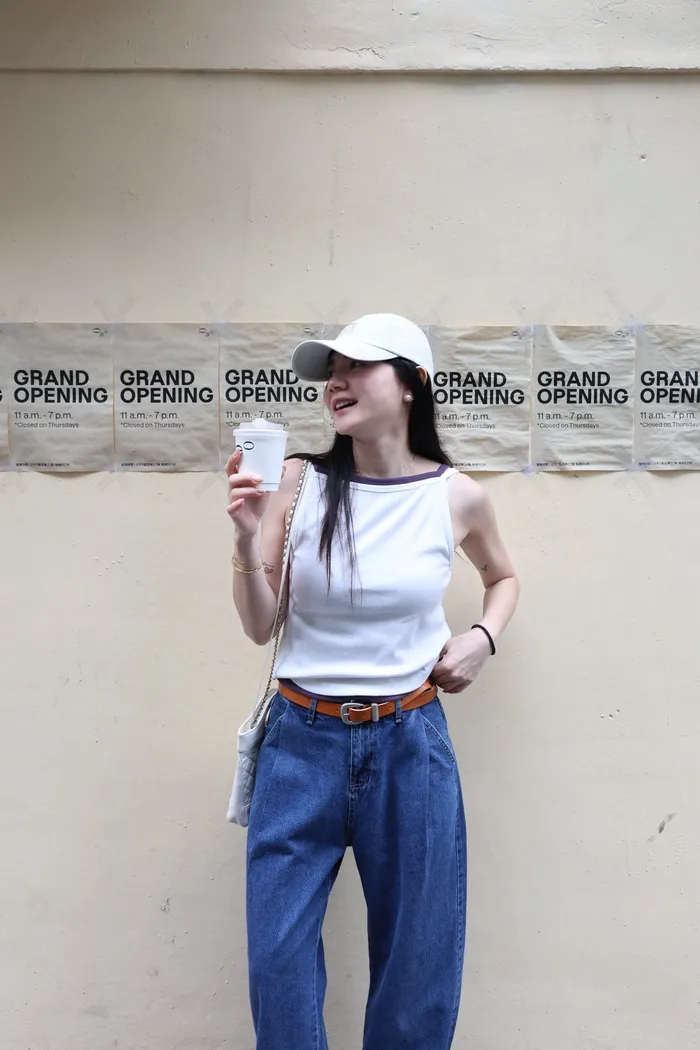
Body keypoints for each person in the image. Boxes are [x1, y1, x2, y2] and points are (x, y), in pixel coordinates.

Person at [225, 314, 519, 1050]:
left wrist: (482, 638)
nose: (337, 382)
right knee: (278, 961)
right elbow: (260, 625)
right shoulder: (299, 481)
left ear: (413, 384)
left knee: (418, 960)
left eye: (358, 367)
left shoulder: (457, 497)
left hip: (410, 741)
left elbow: (503, 577)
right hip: (300, 742)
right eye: (332, 371)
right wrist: (246, 537)